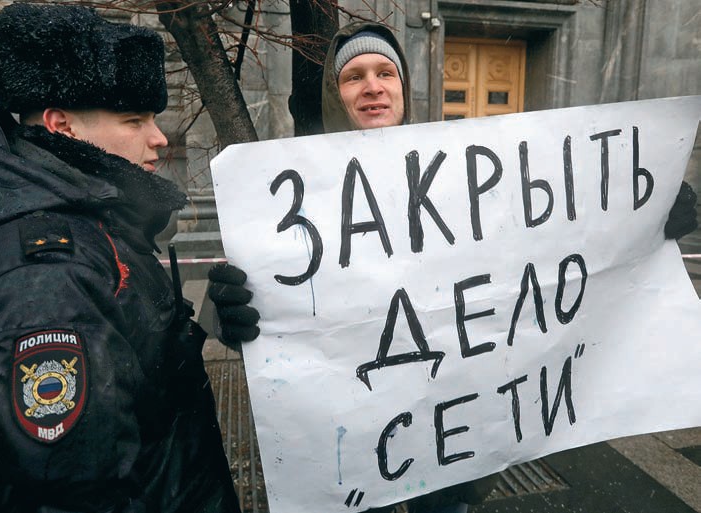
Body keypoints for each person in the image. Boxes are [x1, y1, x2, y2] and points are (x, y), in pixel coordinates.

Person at [209, 19, 698, 513]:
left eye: (385, 72)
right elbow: (272, 317)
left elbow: (559, 239)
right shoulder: (295, 195)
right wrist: (230, 313)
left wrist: (647, 213)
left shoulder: (460, 178)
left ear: (403, 88)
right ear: (336, 94)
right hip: (355, 444)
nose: (372, 86)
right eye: (354, 76)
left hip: (452, 441)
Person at [0, 4, 242, 512]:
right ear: (62, 126)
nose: (159, 138)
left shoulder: (99, 224)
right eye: (134, 120)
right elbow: (73, 489)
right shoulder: (52, 275)